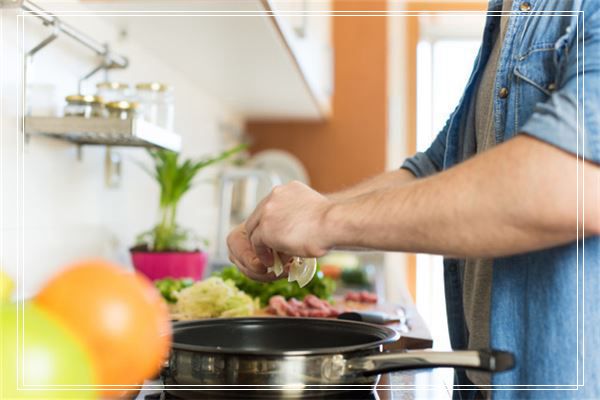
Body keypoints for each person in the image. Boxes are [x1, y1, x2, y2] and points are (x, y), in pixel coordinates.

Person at [227, 0, 599, 398]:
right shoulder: (506, 15)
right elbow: (433, 168)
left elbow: (570, 181)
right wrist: (299, 217)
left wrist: (324, 220)